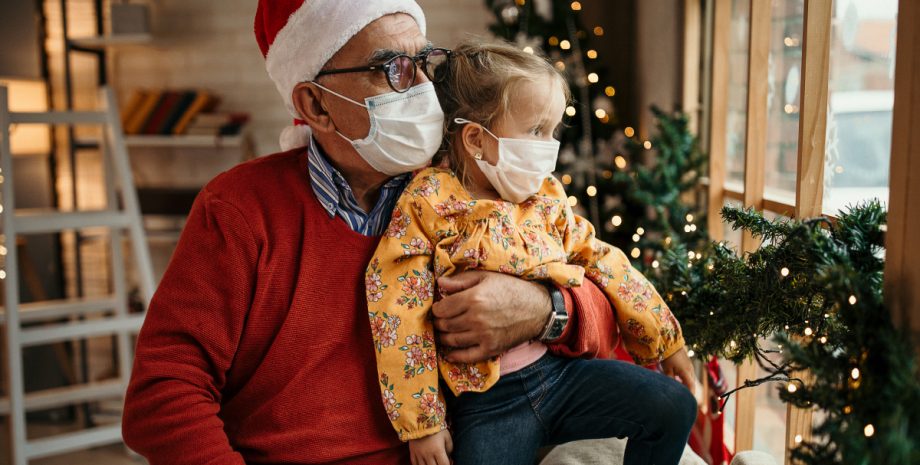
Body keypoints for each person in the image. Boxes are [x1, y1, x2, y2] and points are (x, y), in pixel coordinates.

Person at [121, 2, 654, 464]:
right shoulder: (238, 211)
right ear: (316, 105)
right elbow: (163, 395)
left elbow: (606, 303)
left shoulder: (470, 190)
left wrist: (545, 311)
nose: (424, 89)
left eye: (424, 62)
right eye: (392, 69)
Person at [366, 40, 698, 465]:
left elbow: (601, 259)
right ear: (476, 140)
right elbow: (397, 311)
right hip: (488, 404)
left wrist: (665, 341)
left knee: (672, 406)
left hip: (561, 377)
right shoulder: (428, 203)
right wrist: (423, 424)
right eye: (537, 130)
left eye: (554, 130)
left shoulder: (544, 197)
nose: (549, 144)